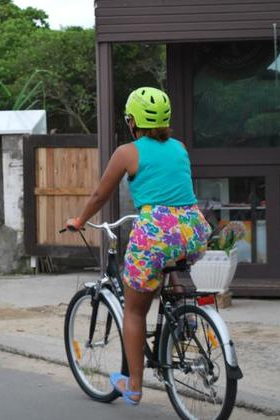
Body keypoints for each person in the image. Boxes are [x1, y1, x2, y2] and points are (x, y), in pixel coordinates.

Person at [65, 87, 211, 406]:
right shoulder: (180, 148)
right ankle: (182, 317)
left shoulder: (127, 152)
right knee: (169, 261)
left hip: (155, 233)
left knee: (134, 310)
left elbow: (101, 195)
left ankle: (134, 386)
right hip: (195, 230)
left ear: (132, 121)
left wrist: (80, 219)